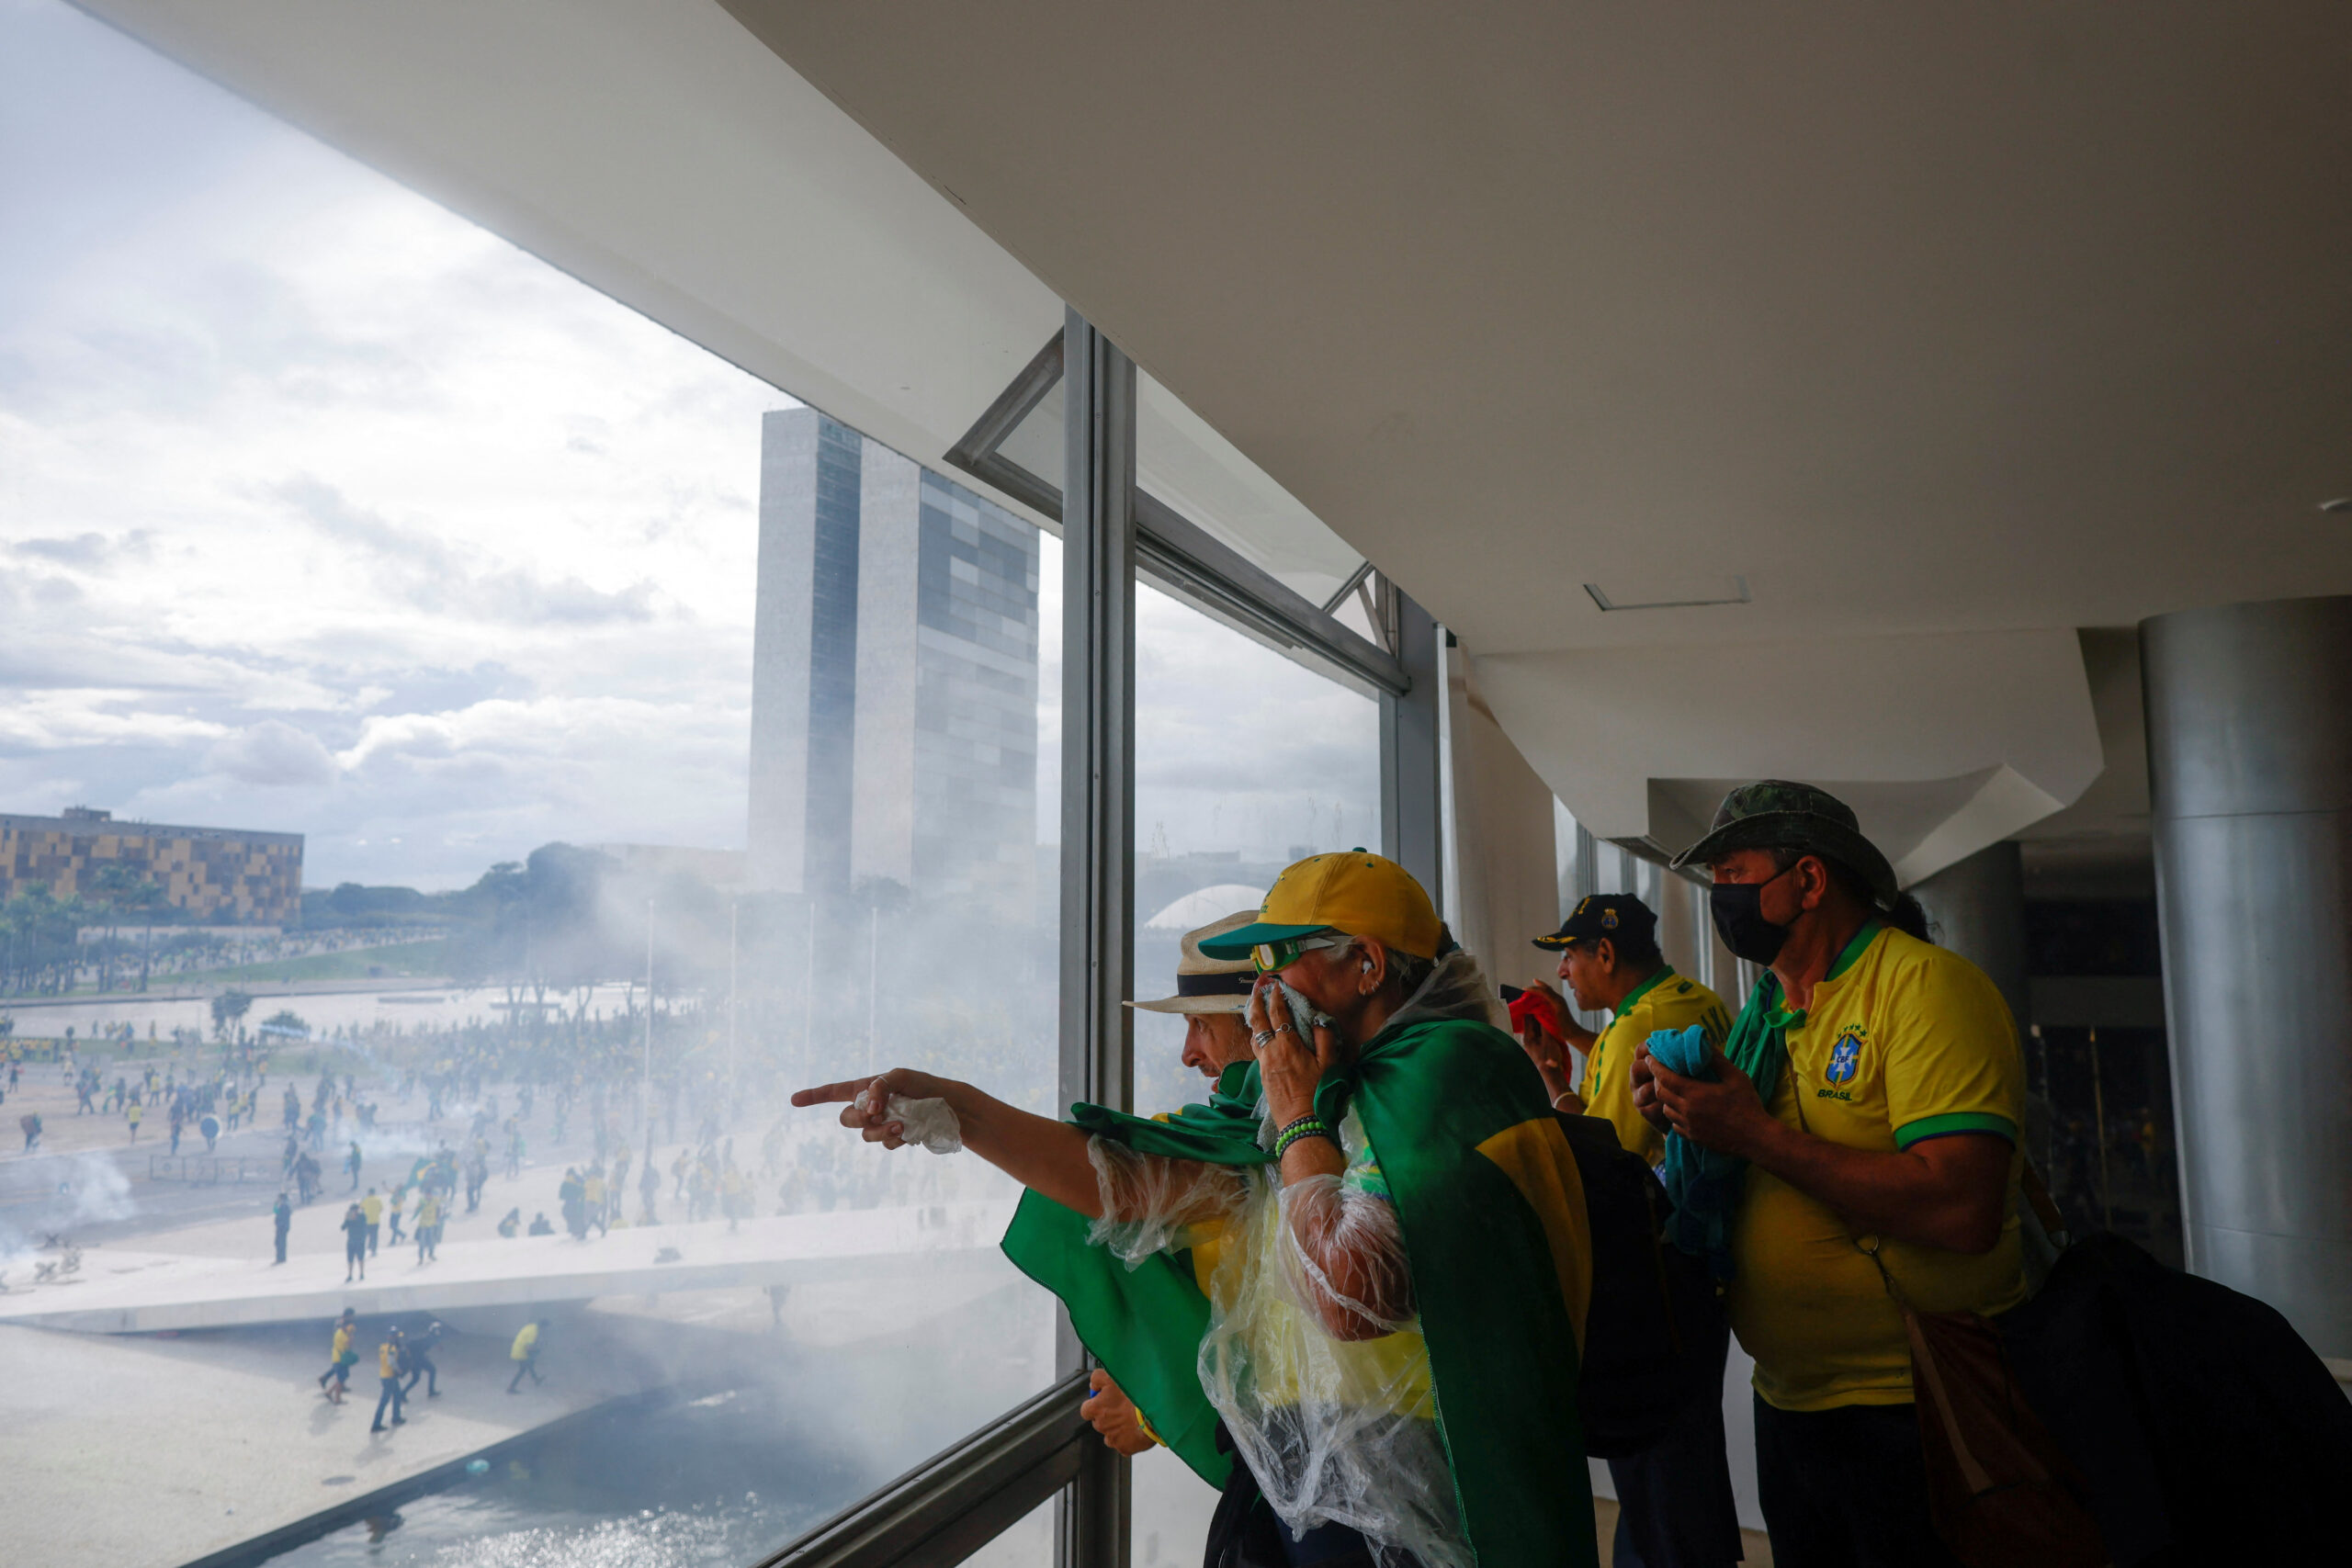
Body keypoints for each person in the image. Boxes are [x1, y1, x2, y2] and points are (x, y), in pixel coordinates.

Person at [799, 852, 1600, 1568]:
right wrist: (960, 1110)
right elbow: (1136, 1180)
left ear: (1366, 964)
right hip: (1317, 1474)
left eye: (1281, 962)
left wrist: (1298, 1114)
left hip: (1433, 1480)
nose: (1265, 994)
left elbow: (1354, 1295)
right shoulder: (1318, 1091)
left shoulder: (1447, 1078)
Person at [1640, 782, 2026, 1568]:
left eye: (1735, 873)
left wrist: (1750, 1133)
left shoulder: (1923, 988)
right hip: (1790, 1405)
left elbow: (1963, 1206)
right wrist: (1689, 1120)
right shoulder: (1765, 1014)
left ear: (1809, 881)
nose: (1722, 897)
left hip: (1915, 1407)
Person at [1512, 896, 1742, 1568]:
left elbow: (1602, 1156)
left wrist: (1552, 1084)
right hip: (1702, 1266)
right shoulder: (1687, 999)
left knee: (1659, 1478)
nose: (1562, 972)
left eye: (1570, 955)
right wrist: (1573, 1049)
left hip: (1661, 1281)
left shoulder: (1640, 1021)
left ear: (1605, 954)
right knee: (1683, 1464)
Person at [369, 1327, 408, 1433]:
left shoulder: (382, 1347)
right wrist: (399, 1370)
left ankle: (396, 1418)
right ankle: (376, 1424)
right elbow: (391, 1362)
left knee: (397, 1396)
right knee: (384, 1401)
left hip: (384, 1375)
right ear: (394, 1337)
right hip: (390, 1377)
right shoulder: (392, 1349)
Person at [318, 1309, 359, 1404]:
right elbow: (348, 1344)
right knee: (341, 1375)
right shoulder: (343, 1331)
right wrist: (350, 1336)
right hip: (341, 1356)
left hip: (338, 1355)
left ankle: (330, 1388)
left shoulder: (340, 1330)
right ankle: (336, 1396)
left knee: (341, 1374)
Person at [402, 1319, 445, 1398]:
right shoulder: (430, 1338)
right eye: (439, 1330)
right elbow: (436, 1345)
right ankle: (431, 1391)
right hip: (419, 1359)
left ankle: (402, 1393)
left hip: (417, 1359)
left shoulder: (429, 1337)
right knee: (432, 1370)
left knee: (416, 1379)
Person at [507, 1318, 547, 1393]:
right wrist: (538, 1350)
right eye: (545, 1329)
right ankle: (510, 1388)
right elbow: (528, 1348)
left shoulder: (531, 1326)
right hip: (521, 1352)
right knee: (522, 1370)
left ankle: (536, 1379)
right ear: (543, 1327)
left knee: (530, 1364)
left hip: (517, 1348)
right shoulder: (534, 1332)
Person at [341, 1201, 370, 1282]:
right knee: (350, 1259)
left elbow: (364, 1225)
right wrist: (346, 1219)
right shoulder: (349, 1219)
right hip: (351, 1241)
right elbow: (343, 1228)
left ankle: (361, 1273)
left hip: (360, 1240)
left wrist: (354, 1218)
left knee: (361, 1258)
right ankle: (350, 1275)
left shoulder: (362, 1217)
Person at [414, 1190, 440, 1263]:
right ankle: (421, 1257)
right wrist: (418, 1208)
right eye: (427, 1195)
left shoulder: (435, 1200)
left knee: (432, 1240)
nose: (428, 1196)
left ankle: (431, 1254)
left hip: (432, 1223)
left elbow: (438, 1209)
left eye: (429, 1195)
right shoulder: (422, 1201)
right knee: (422, 1241)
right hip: (423, 1224)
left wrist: (437, 1218)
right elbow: (417, 1210)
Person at [272, 1190, 293, 1265]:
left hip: (282, 1227)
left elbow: (281, 1216)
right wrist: (275, 1204)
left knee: (280, 1243)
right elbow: (275, 1211)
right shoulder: (283, 1205)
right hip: (282, 1226)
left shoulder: (284, 1206)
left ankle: (281, 1258)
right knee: (279, 1242)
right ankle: (280, 1257)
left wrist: (279, 1224)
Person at [362, 1187, 383, 1256]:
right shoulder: (378, 1200)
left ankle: (364, 1248)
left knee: (365, 1235)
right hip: (376, 1221)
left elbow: (361, 1207)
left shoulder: (365, 1200)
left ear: (369, 1192)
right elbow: (381, 1209)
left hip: (367, 1221)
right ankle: (373, 1250)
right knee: (374, 1236)